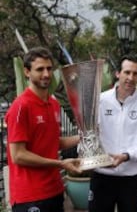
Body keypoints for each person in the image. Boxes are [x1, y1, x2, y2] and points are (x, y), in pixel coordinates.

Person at [5, 47, 81, 212]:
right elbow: (18, 155)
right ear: (26, 72)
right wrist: (60, 163)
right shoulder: (21, 106)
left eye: (49, 68)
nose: (46, 74)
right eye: (40, 69)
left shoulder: (53, 104)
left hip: (54, 191)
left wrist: (83, 136)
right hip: (30, 196)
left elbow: (52, 142)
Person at [88, 54, 137, 212]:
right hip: (102, 176)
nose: (130, 77)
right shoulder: (99, 101)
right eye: (127, 72)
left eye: (135, 73)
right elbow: (88, 133)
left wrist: (127, 155)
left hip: (132, 179)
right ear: (117, 74)